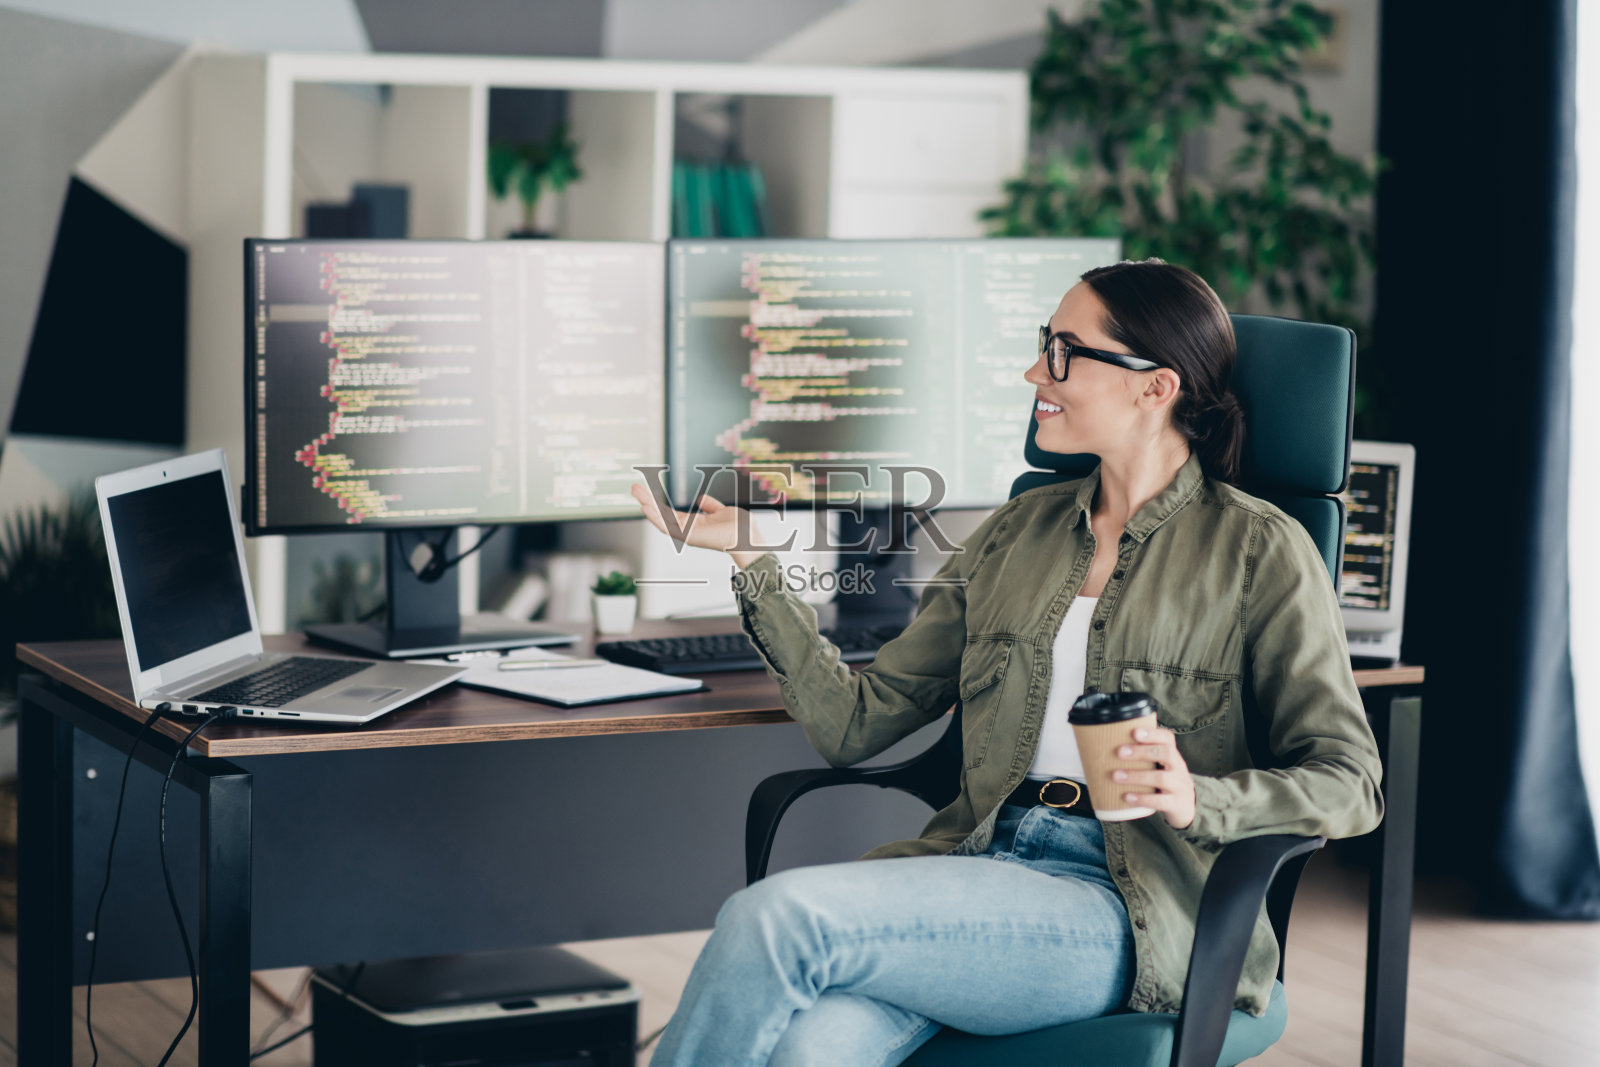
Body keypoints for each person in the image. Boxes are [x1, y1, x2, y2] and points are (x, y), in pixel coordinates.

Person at [630, 259, 1384, 1066]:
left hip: (1121, 905)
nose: (1036, 373)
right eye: (1041, 345)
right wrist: (751, 558)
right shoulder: (1013, 531)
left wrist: (1199, 796)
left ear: (1155, 387)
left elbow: (1351, 780)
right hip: (977, 862)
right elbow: (853, 723)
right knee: (810, 1048)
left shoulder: (1260, 549)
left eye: (1066, 351)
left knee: (775, 918)